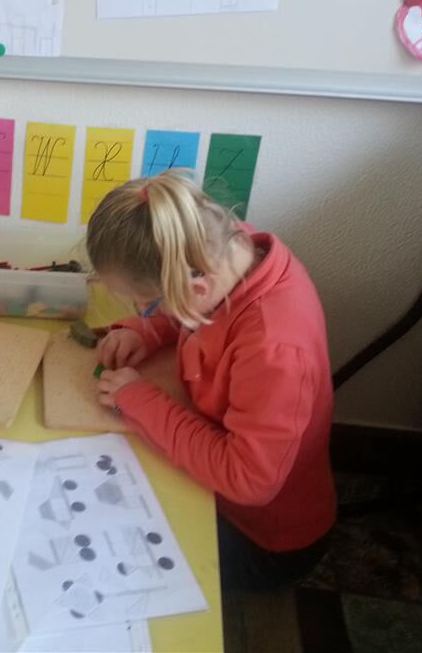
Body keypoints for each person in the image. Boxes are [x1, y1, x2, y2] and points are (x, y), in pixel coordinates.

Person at [86, 171, 335, 590]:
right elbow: (190, 305)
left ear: (193, 289)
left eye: (146, 305)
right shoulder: (227, 249)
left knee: (108, 547)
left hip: (263, 540)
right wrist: (144, 330)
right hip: (225, 488)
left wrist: (139, 400)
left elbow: (247, 480)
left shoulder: (275, 350)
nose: (146, 312)